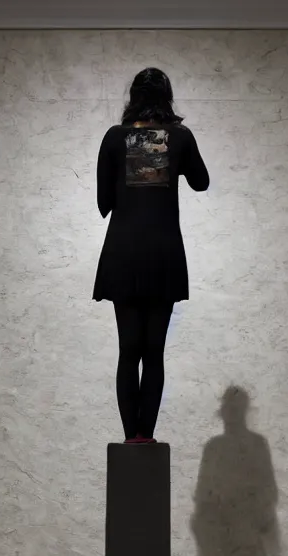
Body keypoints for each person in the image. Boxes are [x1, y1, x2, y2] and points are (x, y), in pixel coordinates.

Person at [93, 67, 210, 444]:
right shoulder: (179, 137)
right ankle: (147, 435)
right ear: (167, 97)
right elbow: (201, 181)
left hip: (124, 252)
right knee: (154, 351)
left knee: (129, 349)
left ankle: (131, 438)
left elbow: (103, 204)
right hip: (163, 253)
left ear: (132, 97)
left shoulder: (115, 138)